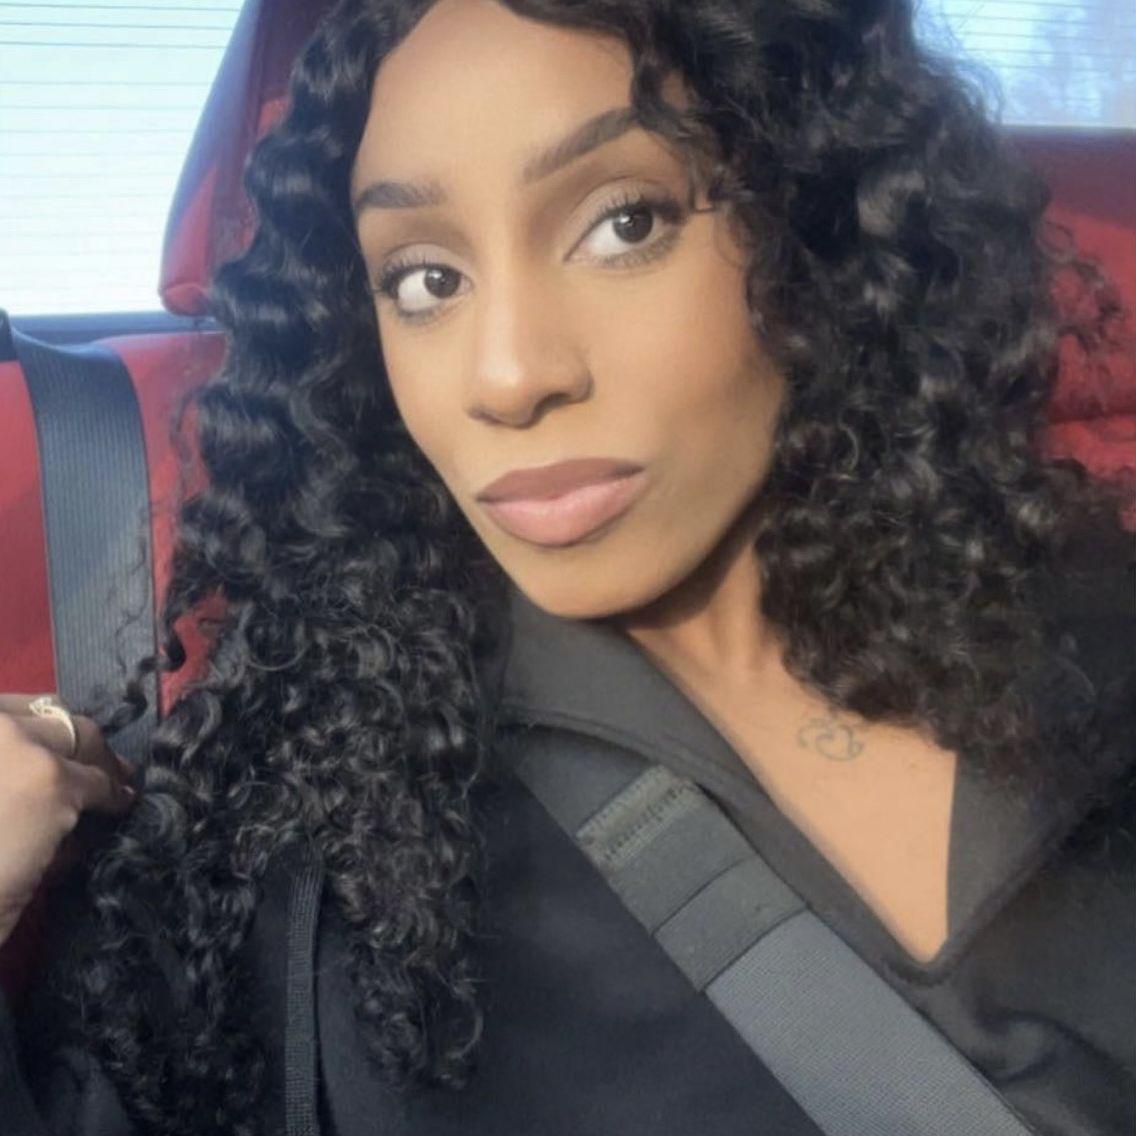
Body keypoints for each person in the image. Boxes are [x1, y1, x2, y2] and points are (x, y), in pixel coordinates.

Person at [1, 0, 1133, 1133]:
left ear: (815, 225)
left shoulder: (1094, 623)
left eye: (624, 223)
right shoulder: (302, 814)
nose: (505, 376)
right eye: (425, 279)